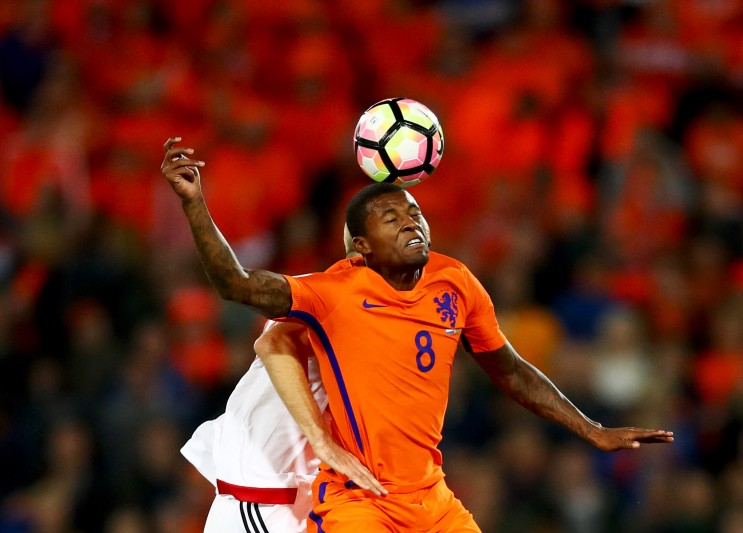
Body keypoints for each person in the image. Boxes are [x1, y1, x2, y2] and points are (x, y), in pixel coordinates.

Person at [161, 137, 674, 532]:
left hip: (431, 499)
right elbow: (237, 286)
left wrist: (591, 429)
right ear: (360, 247)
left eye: (415, 213)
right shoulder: (333, 292)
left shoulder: (456, 282)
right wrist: (194, 203)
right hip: (356, 499)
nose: (412, 223)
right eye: (391, 218)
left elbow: (511, 370)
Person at [181, 225, 384, 533]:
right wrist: (323, 442)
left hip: (282, 499)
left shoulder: (368, 307)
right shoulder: (332, 299)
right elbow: (270, 342)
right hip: (263, 498)